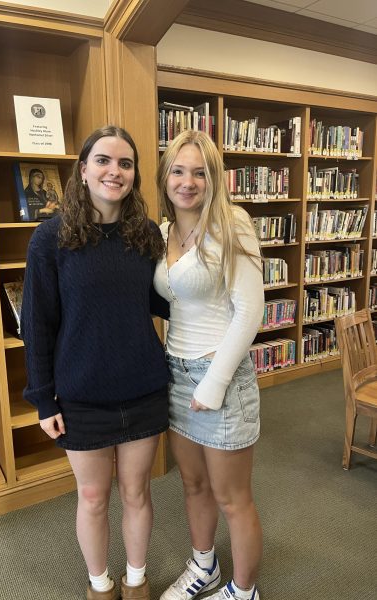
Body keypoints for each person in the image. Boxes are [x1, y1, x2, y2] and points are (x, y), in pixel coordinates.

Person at [21, 125, 170, 600]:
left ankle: (136, 580)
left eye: (125, 164)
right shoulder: (50, 239)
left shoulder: (146, 235)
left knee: (137, 493)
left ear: (134, 176)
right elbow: (38, 325)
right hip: (81, 393)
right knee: (92, 497)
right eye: (103, 160)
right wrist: (44, 401)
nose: (115, 171)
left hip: (142, 388)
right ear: (82, 171)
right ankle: (100, 586)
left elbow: (162, 301)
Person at [154, 130, 264, 600]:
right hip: (175, 373)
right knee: (194, 483)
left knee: (232, 497)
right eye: (178, 170)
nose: (188, 181)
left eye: (200, 172)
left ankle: (244, 592)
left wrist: (215, 383)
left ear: (214, 178)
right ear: (165, 176)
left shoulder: (232, 225)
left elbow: (251, 311)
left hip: (218, 378)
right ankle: (205, 568)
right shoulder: (162, 232)